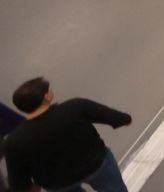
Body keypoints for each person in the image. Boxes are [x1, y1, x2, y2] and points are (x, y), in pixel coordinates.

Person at [3, 76, 133, 192]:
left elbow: (18, 182)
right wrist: (126, 120)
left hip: (57, 184)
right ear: (46, 96)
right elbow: (115, 117)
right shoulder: (75, 107)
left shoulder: (13, 142)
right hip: (96, 165)